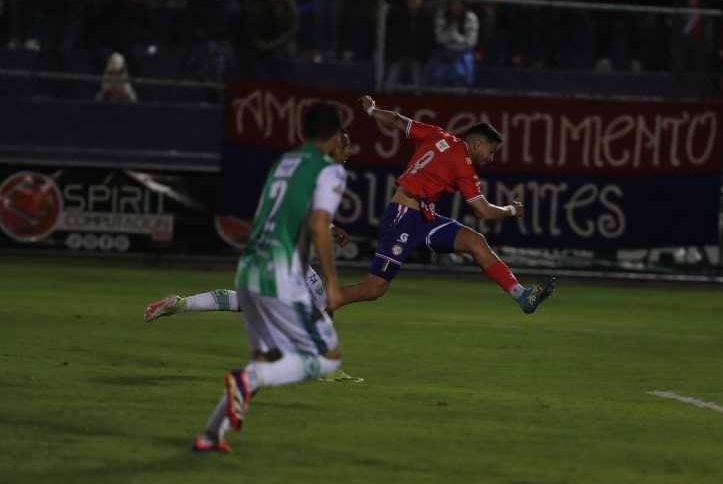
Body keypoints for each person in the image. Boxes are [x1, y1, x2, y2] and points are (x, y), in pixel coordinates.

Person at [190, 102, 351, 453]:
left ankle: (211, 435)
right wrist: (332, 284)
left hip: (249, 267)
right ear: (334, 136)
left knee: (267, 359)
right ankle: (246, 380)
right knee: (328, 357)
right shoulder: (329, 170)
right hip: (281, 274)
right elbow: (318, 224)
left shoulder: (284, 162)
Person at [335, 94, 556, 315]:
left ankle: (522, 295)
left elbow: (397, 121)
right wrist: (511, 210)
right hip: (403, 217)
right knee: (373, 289)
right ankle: (322, 302)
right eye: (491, 151)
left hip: (424, 218)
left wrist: (372, 110)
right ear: (477, 144)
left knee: (475, 241)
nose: (491, 158)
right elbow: (483, 211)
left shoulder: (437, 134)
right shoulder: (464, 165)